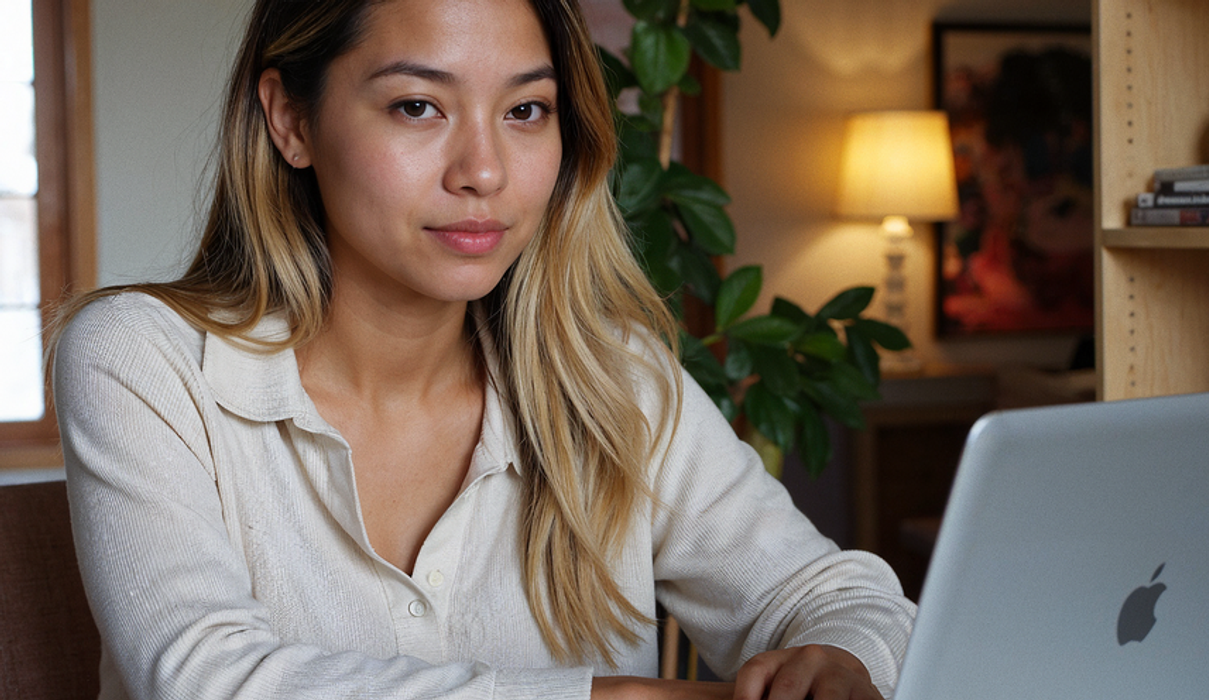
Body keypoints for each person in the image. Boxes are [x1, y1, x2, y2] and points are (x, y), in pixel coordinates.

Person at [52, 1, 917, 699]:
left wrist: (838, 658)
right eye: (417, 105)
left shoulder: (613, 376)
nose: (484, 170)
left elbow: (830, 597)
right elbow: (205, 681)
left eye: (525, 110)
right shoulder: (143, 360)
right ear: (290, 121)